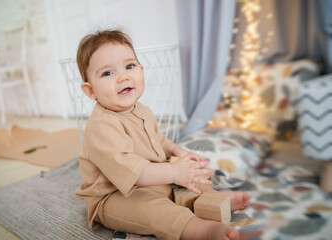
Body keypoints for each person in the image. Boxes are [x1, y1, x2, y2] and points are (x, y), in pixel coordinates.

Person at [75, 29, 249, 240]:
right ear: (90, 91)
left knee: (193, 170)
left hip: (155, 177)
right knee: (153, 210)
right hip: (116, 196)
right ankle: (201, 230)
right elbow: (134, 173)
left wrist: (177, 152)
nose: (123, 77)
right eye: (107, 73)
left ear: (141, 69)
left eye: (129, 66)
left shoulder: (142, 110)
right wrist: (174, 173)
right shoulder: (102, 127)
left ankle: (215, 198)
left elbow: (157, 140)